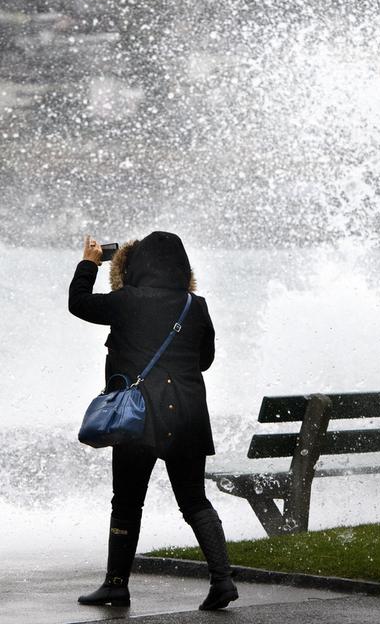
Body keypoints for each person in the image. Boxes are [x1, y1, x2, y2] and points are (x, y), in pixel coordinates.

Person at [68, 231, 238, 610]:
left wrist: (89, 263)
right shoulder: (196, 306)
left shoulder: (127, 301)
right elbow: (204, 361)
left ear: (137, 265)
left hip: (138, 416)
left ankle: (115, 585)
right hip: (189, 416)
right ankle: (222, 580)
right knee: (194, 500)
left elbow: (78, 303)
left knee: (127, 502)